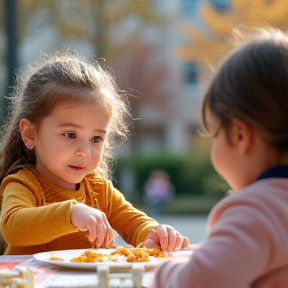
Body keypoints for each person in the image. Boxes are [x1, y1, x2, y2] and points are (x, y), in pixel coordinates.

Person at [0, 50, 189, 255]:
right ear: (29, 133)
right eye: (70, 135)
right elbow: (14, 227)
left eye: (96, 139)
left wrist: (154, 233)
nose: (84, 151)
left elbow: (134, 223)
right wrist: (71, 213)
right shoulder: (23, 185)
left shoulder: (99, 189)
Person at [152, 26, 288, 288]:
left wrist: (163, 270)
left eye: (213, 134)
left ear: (239, 136)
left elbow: (200, 281)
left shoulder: (256, 211)